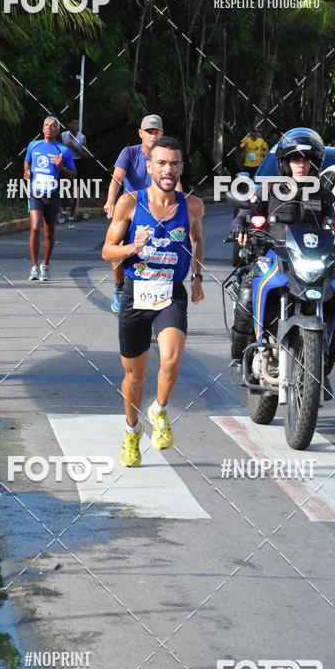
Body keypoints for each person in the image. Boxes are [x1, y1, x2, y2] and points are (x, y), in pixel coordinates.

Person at [102, 136, 204, 467]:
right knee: (135, 377)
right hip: (137, 292)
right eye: (161, 163)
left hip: (170, 292)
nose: (168, 169)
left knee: (172, 359)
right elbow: (107, 251)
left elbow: (197, 239)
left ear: (180, 168)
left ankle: (159, 410)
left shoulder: (192, 206)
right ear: (149, 167)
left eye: (174, 163)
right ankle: (131, 431)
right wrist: (133, 247)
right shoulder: (130, 203)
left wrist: (197, 277)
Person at [229, 127, 335, 400]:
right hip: (275, 258)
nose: (301, 164)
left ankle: (323, 369)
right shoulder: (269, 188)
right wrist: (240, 224)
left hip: (313, 261)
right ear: (286, 161)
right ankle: (240, 360)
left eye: (306, 159)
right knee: (247, 294)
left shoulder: (323, 194)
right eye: (295, 158)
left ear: (315, 163)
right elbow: (249, 210)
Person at [105, 115, 183, 313]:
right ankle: (119, 288)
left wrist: (181, 206)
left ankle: (167, 289)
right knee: (118, 246)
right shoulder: (129, 153)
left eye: (156, 132)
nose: (153, 135)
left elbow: (176, 184)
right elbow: (117, 178)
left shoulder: (166, 157)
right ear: (141, 133)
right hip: (132, 211)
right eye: (149, 132)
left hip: (159, 211)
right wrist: (110, 200)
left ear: (162, 134)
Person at [23, 116, 76, 281]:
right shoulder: (34, 145)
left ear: (58, 130)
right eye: (46, 125)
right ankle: (33, 267)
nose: (49, 128)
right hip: (36, 193)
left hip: (52, 194)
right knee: (35, 226)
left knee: (49, 232)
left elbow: (73, 173)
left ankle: (45, 265)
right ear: (42, 128)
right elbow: (27, 162)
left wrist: (62, 168)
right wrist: (27, 172)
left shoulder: (63, 150)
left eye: (53, 126)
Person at [60, 117, 88, 227]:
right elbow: (58, 149)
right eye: (73, 123)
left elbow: (86, 156)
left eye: (77, 123)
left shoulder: (82, 138)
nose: (75, 126)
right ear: (69, 124)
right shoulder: (63, 135)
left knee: (73, 192)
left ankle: (71, 217)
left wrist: (76, 148)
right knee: (63, 189)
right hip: (66, 162)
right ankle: (63, 211)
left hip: (77, 164)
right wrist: (65, 149)